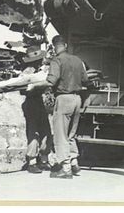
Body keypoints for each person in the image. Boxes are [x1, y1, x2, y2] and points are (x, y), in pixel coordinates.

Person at [27, 35, 88, 179]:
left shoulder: (57, 60)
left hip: (64, 98)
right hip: (77, 99)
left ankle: (65, 168)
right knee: (71, 134)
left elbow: (51, 81)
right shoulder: (78, 60)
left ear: (54, 47)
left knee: (60, 135)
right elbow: (86, 80)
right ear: (65, 45)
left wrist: (34, 85)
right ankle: (74, 162)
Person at [20, 46, 53, 174]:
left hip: (39, 102)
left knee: (45, 131)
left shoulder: (41, 70)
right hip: (31, 102)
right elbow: (22, 89)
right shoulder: (27, 72)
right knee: (33, 132)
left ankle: (43, 159)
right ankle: (32, 161)